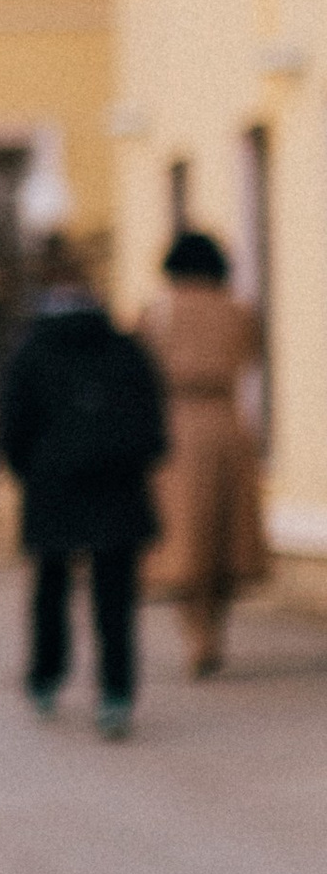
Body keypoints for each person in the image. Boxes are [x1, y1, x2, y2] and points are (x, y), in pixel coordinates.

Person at [0, 234, 166, 740]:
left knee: (51, 584)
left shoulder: (30, 352)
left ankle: (46, 676)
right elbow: (152, 422)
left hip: (54, 484)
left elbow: (11, 430)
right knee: (115, 594)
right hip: (116, 483)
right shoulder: (124, 348)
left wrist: (32, 470)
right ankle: (116, 693)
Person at [141, 229, 266, 676]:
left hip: (177, 426)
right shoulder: (239, 311)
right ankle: (215, 631)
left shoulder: (160, 311)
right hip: (229, 421)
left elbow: (143, 364)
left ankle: (196, 636)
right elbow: (253, 356)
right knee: (225, 536)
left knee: (184, 538)